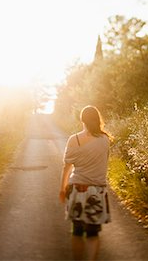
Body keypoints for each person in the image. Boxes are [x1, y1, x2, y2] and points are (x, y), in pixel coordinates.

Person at [59, 105, 111, 261]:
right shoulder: (105, 140)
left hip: (77, 190)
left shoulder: (74, 140)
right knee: (93, 234)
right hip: (98, 192)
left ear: (82, 120)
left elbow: (66, 167)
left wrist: (62, 189)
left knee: (77, 231)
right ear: (97, 119)